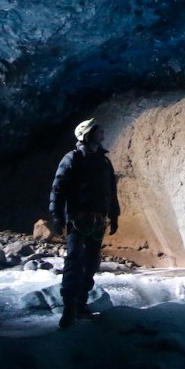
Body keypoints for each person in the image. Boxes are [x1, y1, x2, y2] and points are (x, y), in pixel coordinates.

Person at [48, 117, 120, 329]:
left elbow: (111, 190)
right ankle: (69, 308)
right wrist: (57, 216)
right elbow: (58, 189)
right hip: (78, 220)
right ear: (87, 135)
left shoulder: (104, 161)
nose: (102, 133)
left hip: (98, 221)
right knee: (74, 263)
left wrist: (114, 215)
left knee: (91, 263)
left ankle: (81, 304)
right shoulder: (72, 159)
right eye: (98, 131)